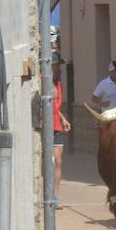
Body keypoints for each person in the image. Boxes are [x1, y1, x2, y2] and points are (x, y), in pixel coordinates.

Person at [50, 56, 69, 208]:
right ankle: (46, 194)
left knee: (58, 161)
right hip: (45, 127)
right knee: (47, 162)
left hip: (57, 126)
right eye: (57, 65)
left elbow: (56, 106)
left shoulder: (58, 82)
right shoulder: (41, 82)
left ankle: (55, 196)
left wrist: (63, 119)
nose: (59, 68)